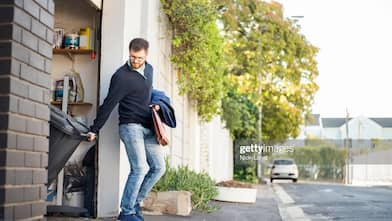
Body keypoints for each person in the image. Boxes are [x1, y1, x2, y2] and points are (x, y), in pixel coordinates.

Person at [87, 38, 165, 221]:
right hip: (130, 127)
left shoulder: (149, 69)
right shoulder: (121, 76)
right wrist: (95, 129)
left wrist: (157, 105)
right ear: (129, 53)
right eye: (132, 57)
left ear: (146, 55)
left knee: (159, 167)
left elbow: (148, 92)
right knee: (139, 168)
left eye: (139, 58)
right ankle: (127, 212)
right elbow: (108, 104)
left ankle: (135, 203)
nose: (136, 61)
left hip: (148, 127)